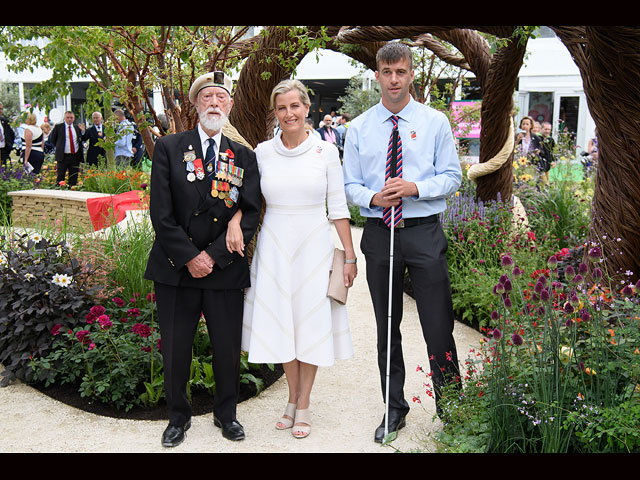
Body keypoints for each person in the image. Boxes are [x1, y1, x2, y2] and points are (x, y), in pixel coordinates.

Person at [342, 41, 462, 443]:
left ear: (411, 74)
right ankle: (394, 409)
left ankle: (454, 410)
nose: (394, 80)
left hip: (424, 233)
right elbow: (349, 186)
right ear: (377, 75)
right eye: (387, 72)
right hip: (380, 235)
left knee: (439, 324)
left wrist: (415, 187)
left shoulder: (434, 122)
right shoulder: (358, 128)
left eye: (401, 72)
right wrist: (374, 198)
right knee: (386, 326)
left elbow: (452, 177)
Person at [143, 71, 262, 448]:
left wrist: (211, 257)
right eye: (206, 97)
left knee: (226, 347)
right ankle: (177, 418)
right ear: (195, 105)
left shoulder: (243, 155)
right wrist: (191, 257)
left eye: (221, 98)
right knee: (176, 347)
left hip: (223, 266)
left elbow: (252, 211)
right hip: (176, 267)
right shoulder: (169, 147)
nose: (214, 103)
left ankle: (227, 415)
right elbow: (160, 213)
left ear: (229, 106)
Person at [239, 79, 357, 439]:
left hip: (314, 247)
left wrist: (350, 256)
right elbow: (248, 203)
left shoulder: (325, 153)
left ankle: (302, 404)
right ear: (275, 113)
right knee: (281, 324)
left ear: (307, 109)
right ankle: (293, 398)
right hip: (275, 247)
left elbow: (337, 207)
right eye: (281, 108)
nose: (289, 113)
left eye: (295, 106)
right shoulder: (262, 152)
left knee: (309, 324)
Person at [48, 110, 84, 187]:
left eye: (71, 117)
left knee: (74, 177)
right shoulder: (58, 127)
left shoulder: (76, 128)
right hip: (63, 156)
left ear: (74, 118)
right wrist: (60, 147)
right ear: (64, 118)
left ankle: (72, 191)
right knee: (60, 177)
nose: (69, 119)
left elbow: (80, 140)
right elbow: (52, 140)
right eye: (67, 117)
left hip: (74, 156)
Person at [0, 103, 16, 168]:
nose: (0, 111)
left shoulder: (4, 121)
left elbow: (11, 134)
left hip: (4, 151)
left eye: (1, 109)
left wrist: (9, 146)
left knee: (6, 171)